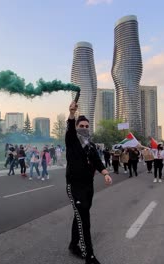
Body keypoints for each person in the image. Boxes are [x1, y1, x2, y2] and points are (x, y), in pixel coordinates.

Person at [66, 101, 112, 264]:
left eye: (87, 125)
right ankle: (89, 255)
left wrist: (105, 173)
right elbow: (70, 128)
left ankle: (73, 245)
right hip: (75, 186)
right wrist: (72, 114)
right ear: (77, 126)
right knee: (84, 219)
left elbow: (97, 162)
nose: (84, 128)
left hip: (88, 187)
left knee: (79, 216)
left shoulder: (91, 145)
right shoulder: (71, 140)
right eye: (81, 125)